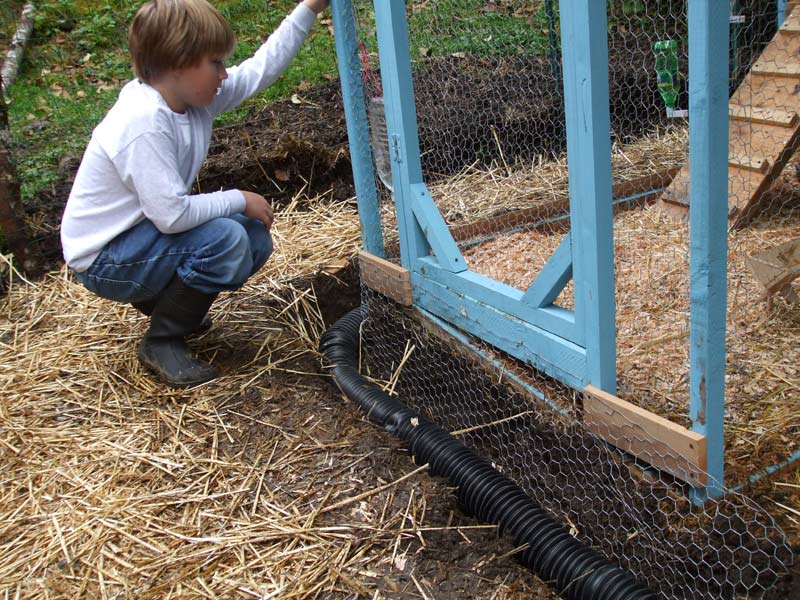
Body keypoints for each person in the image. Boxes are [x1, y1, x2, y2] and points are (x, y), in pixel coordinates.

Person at [60, 0, 329, 388]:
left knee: (252, 239)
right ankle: (163, 339)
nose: (224, 73)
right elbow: (171, 216)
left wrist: (308, 9)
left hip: (141, 237)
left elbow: (259, 71)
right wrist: (239, 197)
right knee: (226, 238)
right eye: (215, 63)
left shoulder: (188, 97)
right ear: (178, 63)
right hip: (105, 258)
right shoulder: (144, 122)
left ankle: (168, 306)